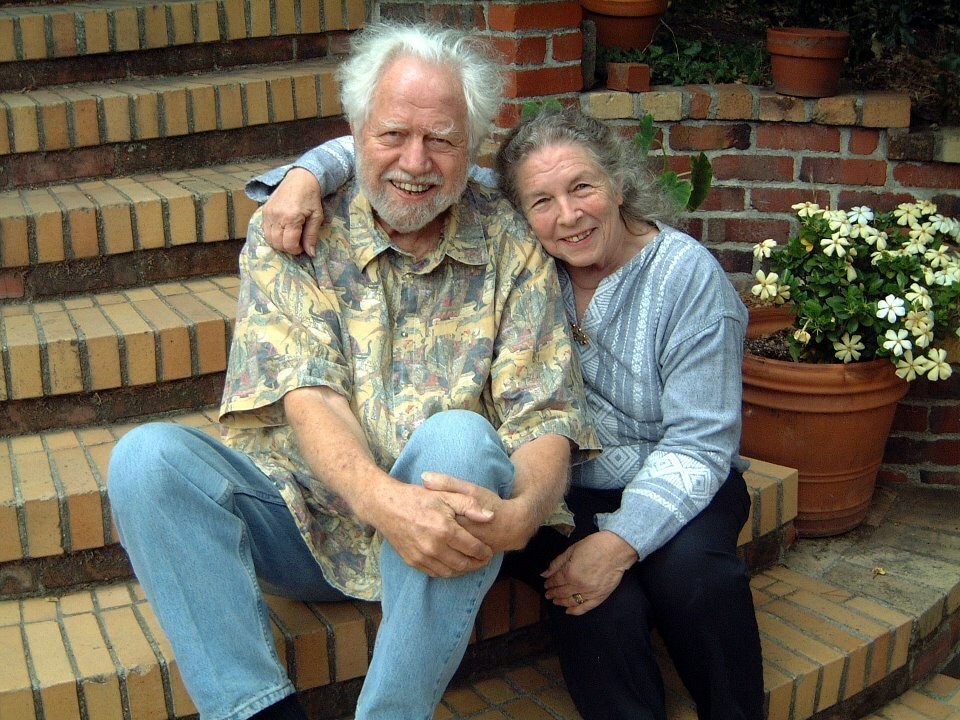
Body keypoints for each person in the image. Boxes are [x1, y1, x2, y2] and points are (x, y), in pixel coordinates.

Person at [107, 24, 596, 720]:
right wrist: (382, 502)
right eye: (393, 134)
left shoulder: (512, 237)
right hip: (306, 519)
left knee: (460, 437)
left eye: (443, 140)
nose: (416, 161)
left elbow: (546, 412)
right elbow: (310, 394)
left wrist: (523, 516)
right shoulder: (295, 227)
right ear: (356, 131)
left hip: (448, 533)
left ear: (475, 145)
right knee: (145, 461)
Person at [260, 107, 765, 720]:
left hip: (681, 470)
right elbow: (417, 163)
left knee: (696, 580)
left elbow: (700, 445)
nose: (568, 216)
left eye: (582, 187)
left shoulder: (688, 280)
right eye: (542, 201)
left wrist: (619, 542)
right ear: (519, 211)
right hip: (555, 484)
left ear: (618, 181)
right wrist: (306, 175)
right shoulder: (526, 251)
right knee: (598, 607)